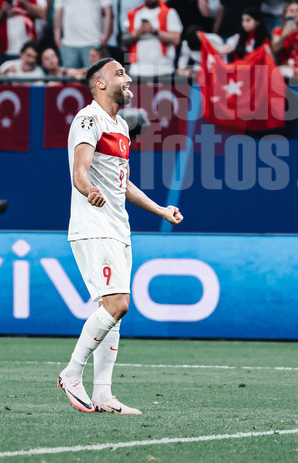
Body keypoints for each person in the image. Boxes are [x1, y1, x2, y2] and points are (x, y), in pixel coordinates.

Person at [57, 57, 183, 415]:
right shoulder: (88, 120)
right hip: (93, 227)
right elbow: (79, 172)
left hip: (117, 227)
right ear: (99, 83)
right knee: (118, 305)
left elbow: (122, 182)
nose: (128, 79)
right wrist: (88, 190)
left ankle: (104, 394)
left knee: (113, 312)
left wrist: (160, 209)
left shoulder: (122, 127)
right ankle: (71, 373)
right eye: (120, 74)